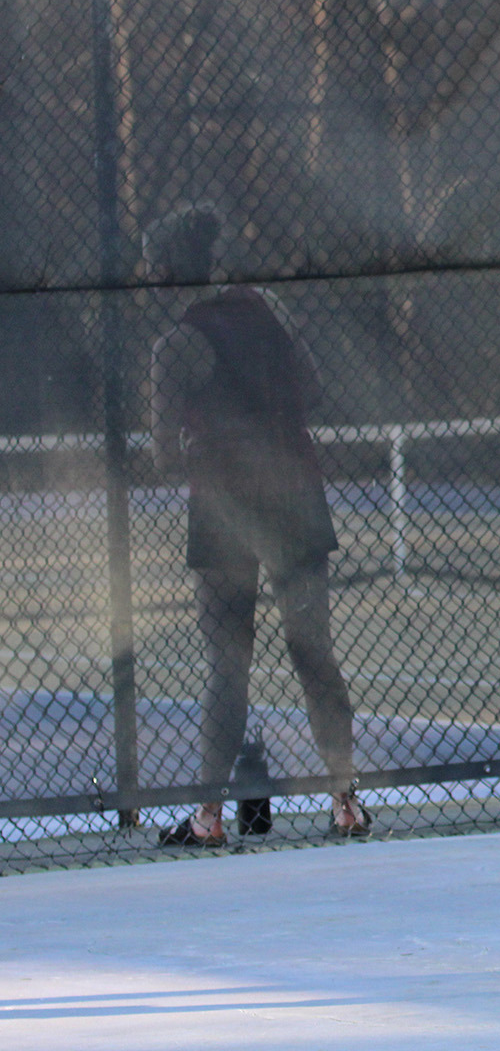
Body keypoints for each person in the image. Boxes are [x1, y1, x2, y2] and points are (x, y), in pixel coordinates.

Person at [145, 205, 370, 847]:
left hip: (225, 507)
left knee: (226, 662)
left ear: (163, 274)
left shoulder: (174, 345)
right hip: (294, 494)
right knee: (313, 651)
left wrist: (201, 441)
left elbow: (163, 455)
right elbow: (315, 388)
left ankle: (209, 815)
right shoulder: (267, 306)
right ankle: (344, 801)